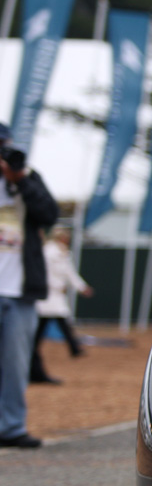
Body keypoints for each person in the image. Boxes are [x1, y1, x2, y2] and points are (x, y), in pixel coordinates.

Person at [0, 123, 59, 448]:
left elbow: (49, 214)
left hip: (19, 288)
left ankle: (10, 427)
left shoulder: (27, 179)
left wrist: (20, 179)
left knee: (15, 364)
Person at [30, 225, 93, 384]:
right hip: (47, 295)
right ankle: (73, 348)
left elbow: (69, 273)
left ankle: (73, 348)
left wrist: (81, 287)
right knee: (54, 324)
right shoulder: (49, 252)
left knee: (52, 325)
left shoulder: (61, 252)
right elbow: (45, 273)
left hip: (54, 296)